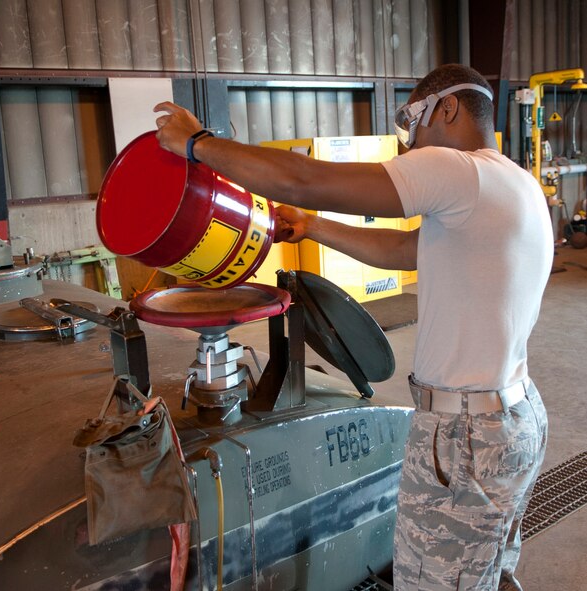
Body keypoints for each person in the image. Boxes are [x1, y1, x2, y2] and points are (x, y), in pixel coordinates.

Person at [154, 63, 551, 590]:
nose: (410, 145)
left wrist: (198, 143)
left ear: (448, 108)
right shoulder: (514, 185)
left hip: (464, 439)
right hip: (516, 421)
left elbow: (305, 178)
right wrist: (314, 227)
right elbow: (402, 249)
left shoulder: (459, 170)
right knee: (485, 573)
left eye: (413, 123)